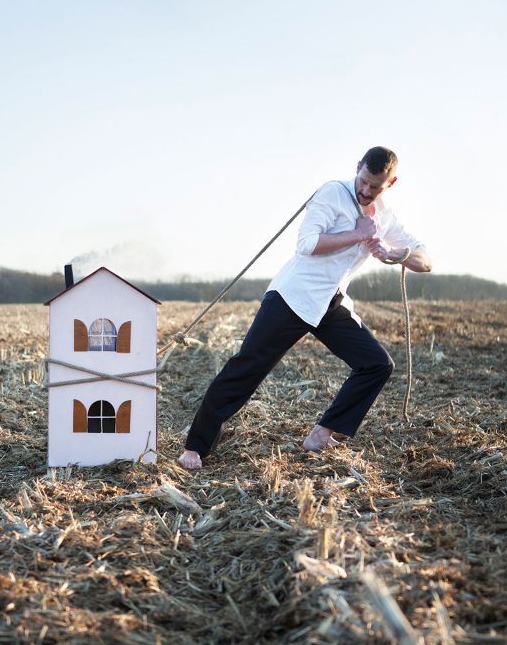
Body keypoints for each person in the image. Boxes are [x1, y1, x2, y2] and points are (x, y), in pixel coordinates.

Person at [178, 146, 433, 470]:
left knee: (377, 364)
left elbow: (425, 259)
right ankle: (194, 447)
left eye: (375, 186)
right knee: (246, 368)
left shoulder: (384, 217)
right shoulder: (332, 194)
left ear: (390, 183)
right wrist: (356, 234)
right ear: (358, 168)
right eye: (364, 181)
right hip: (292, 297)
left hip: (330, 302)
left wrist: (394, 253)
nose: (366, 190)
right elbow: (307, 244)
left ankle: (323, 433)